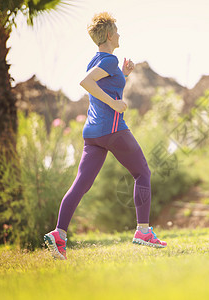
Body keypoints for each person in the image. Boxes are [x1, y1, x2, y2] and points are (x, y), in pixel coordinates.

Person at [44, 12, 166, 260]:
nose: (120, 34)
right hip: (112, 130)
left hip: (93, 134)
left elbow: (101, 83)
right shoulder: (108, 60)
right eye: (117, 31)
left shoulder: (99, 60)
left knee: (81, 185)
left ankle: (59, 234)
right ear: (109, 35)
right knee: (143, 173)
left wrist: (124, 74)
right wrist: (115, 103)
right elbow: (86, 83)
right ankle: (143, 231)